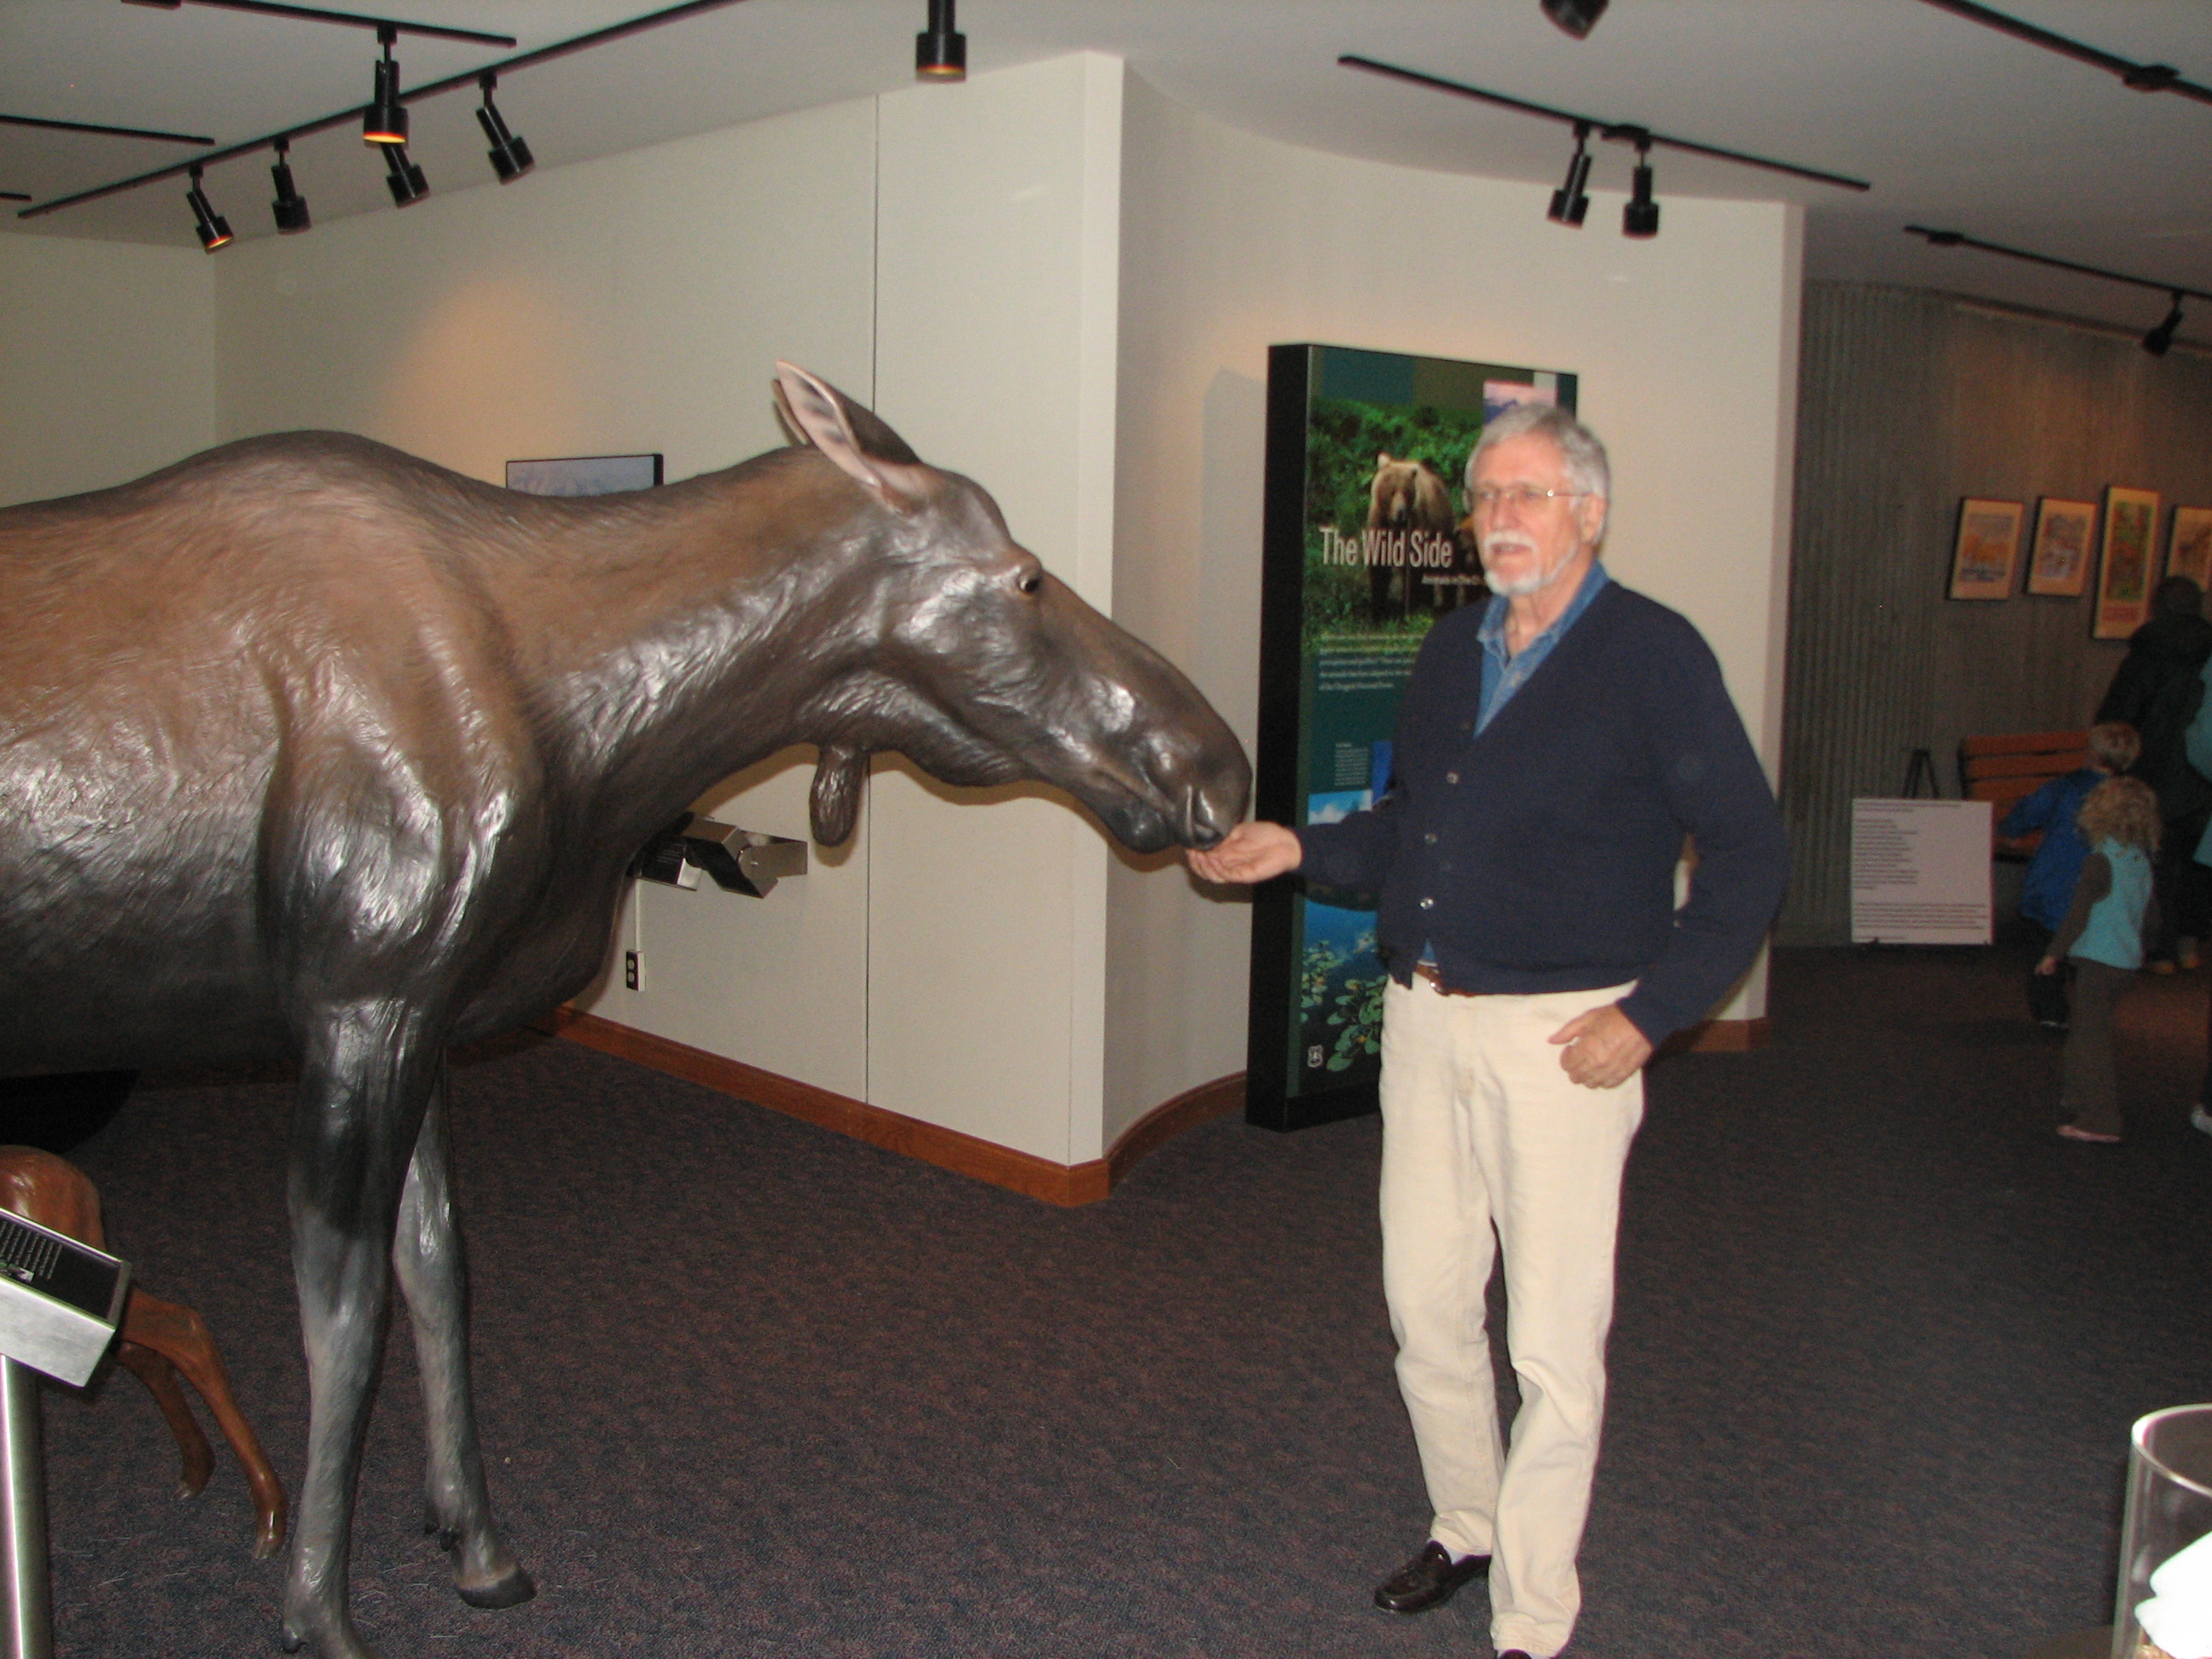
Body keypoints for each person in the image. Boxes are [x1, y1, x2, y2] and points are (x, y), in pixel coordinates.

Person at [1186, 404, 1788, 1659]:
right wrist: (1298, 848)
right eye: (1486, 497)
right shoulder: (1452, 648)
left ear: (1591, 513)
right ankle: (1465, 1525)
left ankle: (1533, 1611)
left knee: (1553, 1345)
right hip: (1426, 1020)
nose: (1500, 518)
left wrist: (1653, 1016)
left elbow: (1750, 853)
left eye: (1530, 494)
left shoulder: (1653, 654)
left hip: (1565, 1041)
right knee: (1426, 1304)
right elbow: (1410, 826)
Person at [2097, 575, 2212, 969]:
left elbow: (2118, 716)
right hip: (2201, 776)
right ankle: (2189, 943)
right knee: (2196, 862)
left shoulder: (2146, 654)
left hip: (2151, 774)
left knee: (2153, 861)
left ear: (2156, 606)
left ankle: (2158, 948)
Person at [2040, 776, 2160, 1144]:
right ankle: (2076, 1093)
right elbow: (2152, 916)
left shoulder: (2100, 861)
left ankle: (2100, 1119)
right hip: (2124, 963)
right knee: (2084, 1031)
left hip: (2097, 962)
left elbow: (2077, 915)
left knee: (2092, 1040)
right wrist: (2143, 948)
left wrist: (2053, 953)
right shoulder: (2139, 860)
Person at [2000, 722, 2139, 1028]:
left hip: (2055, 885)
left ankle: (2051, 1011)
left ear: (2091, 753)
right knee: (2093, 953)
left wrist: (2011, 831)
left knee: (2045, 948)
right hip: (2105, 891)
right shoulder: (2132, 796)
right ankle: (2093, 1009)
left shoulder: (2064, 788)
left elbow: (2029, 810)